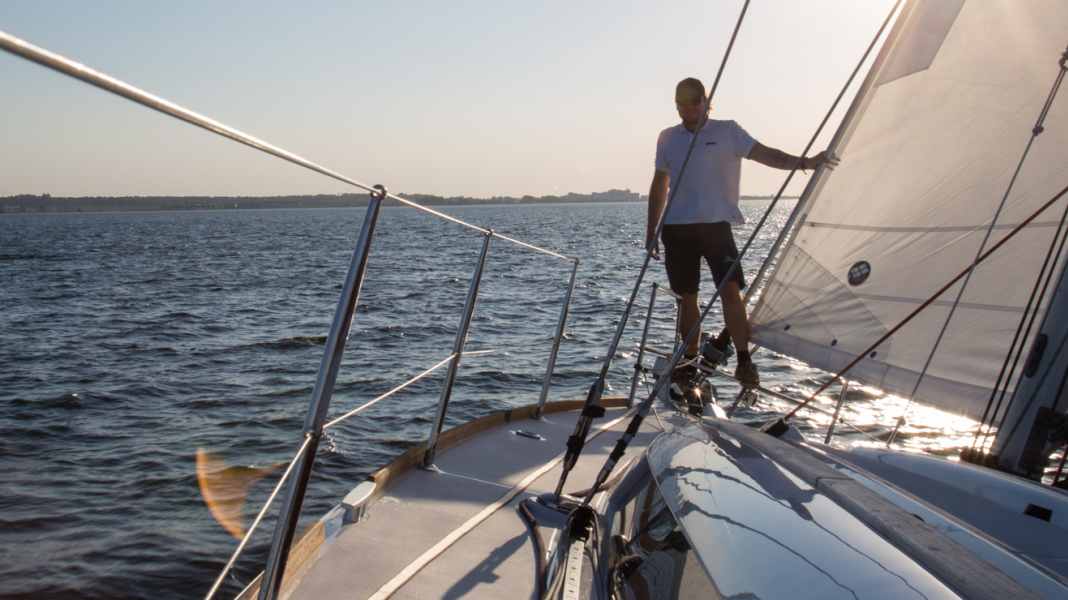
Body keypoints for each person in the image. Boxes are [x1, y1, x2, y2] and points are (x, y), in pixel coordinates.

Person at [646, 77, 835, 387]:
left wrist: (806, 163)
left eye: (693, 101)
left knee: (730, 292)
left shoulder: (727, 131)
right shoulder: (667, 138)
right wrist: (651, 229)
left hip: (716, 227)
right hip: (677, 229)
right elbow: (659, 184)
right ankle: (690, 362)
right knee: (687, 298)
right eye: (681, 102)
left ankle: (745, 360)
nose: (687, 107)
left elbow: (766, 154)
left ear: (705, 102)